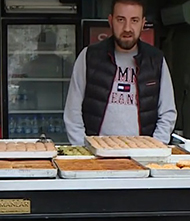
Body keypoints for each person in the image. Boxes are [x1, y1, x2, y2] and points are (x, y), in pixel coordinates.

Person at [63, 0, 177, 146]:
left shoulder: (156, 60)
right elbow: (72, 112)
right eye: (121, 20)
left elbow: (167, 113)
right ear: (111, 21)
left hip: (142, 153)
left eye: (134, 20)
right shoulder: (89, 56)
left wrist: (154, 148)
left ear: (143, 23)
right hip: (97, 153)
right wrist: (84, 149)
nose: (127, 28)